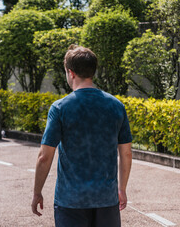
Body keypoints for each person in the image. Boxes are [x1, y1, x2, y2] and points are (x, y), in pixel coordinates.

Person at [31, 45, 132, 227]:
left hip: (70, 200)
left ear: (71, 73)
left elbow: (44, 157)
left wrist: (37, 192)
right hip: (106, 199)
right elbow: (126, 154)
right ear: (93, 71)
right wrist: (121, 189)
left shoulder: (60, 108)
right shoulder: (116, 106)